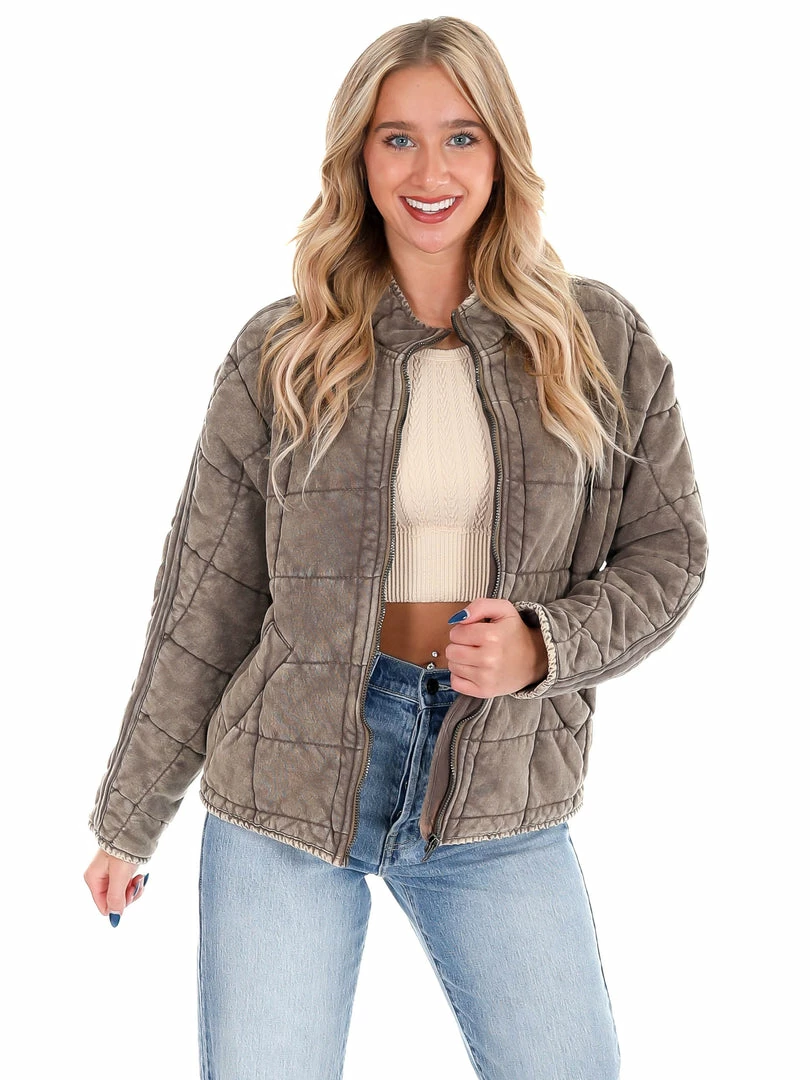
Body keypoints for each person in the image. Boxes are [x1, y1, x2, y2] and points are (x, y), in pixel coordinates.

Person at [84, 16, 708, 1080]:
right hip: (288, 778)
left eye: (462, 137)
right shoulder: (282, 351)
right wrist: (128, 820)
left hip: (496, 776)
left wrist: (545, 645)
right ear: (358, 159)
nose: (430, 172)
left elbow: (670, 552)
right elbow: (206, 600)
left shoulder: (597, 339)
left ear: (502, 152)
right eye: (397, 139)